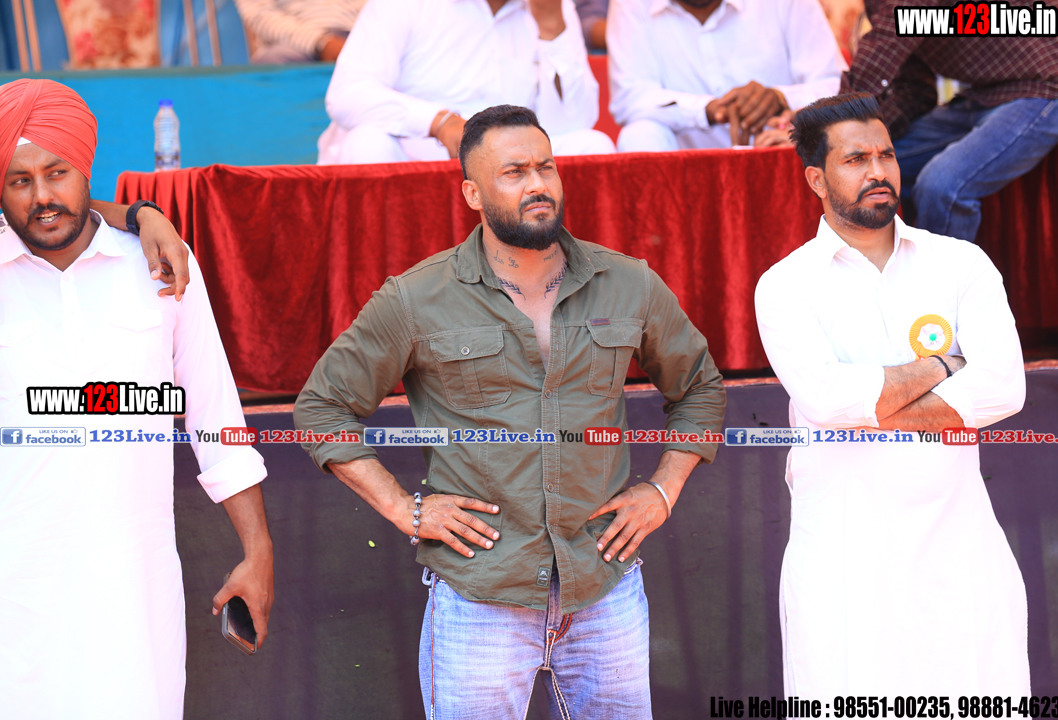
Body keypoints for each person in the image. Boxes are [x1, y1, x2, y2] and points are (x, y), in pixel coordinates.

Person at [296, 105, 725, 716]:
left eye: (546, 167)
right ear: (472, 193)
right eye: (514, 172)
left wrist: (663, 490)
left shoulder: (628, 283)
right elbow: (323, 407)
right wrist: (403, 508)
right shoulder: (417, 298)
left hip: (604, 586)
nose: (537, 184)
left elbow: (700, 387)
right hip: (481, 595)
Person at [0, 79, 274, 720]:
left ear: (85, 168)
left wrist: (258, 552)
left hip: (134, 592)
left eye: (57, 173)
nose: (42, 197)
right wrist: (143, 209)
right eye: (19, 181)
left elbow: (217, 421)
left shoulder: (159, 265)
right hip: (17, 592)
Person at [754, 93, 1028, 697]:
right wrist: (942, 365)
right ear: (816, 179)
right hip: (844, 560)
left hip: (960, 552)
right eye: (856, 159)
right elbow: (827, 402)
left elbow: (1004, 386)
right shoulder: (785, 285)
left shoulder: (961, 264)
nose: (878, 171)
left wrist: (869, 405)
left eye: (886, 155)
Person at [842, 0, 1058, 241]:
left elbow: (894, 29)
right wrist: (867, 138)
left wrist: (838, 123)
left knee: (941, 186)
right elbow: (914, 89)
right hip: (987, 95)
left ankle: (940, 267)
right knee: (877, 165)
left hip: (1053, 88)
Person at [317, 0, 616, 165]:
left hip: (509, 158)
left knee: (593, 146)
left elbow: (575, 122)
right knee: (367, 142)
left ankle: (575, 263)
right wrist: (439, 122)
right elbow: (347, 92)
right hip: (418, 150)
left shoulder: (553, 7)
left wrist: (552, 30)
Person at [607, 0, 845, 151]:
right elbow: (630, 97)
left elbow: (838, 86)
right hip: (681, 164)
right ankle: (659, 221)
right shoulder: (631, 4)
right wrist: (706, 110)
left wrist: (781, 98)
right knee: (639, 135)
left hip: (782, 153)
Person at [235, 0, 368, 64]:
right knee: (271, 65)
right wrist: (319, 43)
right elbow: (261, 16)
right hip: (297, 43)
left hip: (361, 35)